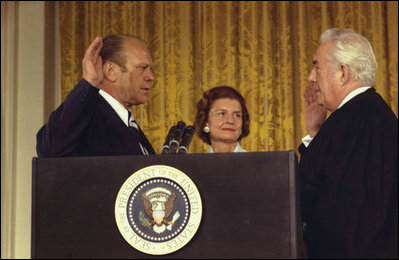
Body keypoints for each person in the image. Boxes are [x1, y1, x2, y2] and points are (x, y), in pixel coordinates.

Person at [298, 28, 398, 258]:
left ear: (342, 72)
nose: (311, 78)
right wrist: (316, 133)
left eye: (317, 67)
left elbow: (347, 217)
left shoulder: (358, 120)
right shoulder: (365, 116)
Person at [36, 35, 156, 157]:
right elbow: (50, 148)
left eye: (151, 69)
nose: (151, 77)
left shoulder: (129, 125)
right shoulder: (88, 115)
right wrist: (88, 83)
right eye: (142, 68)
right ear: (111, 71)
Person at [194, 86, 250, 153]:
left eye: (237, 115)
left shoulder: (256, 163)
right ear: (206, 121)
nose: (230, 121)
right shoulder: (196, 163)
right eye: (221, 114)